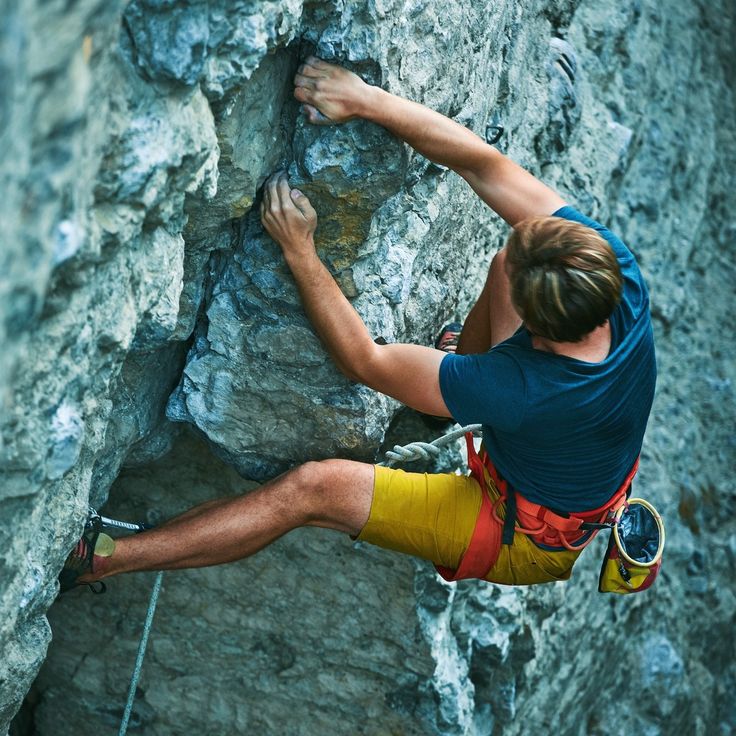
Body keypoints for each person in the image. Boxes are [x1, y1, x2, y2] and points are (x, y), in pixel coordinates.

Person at [60, 57, 656, 592]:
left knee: (312, 490)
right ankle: (444, 396)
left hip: (514, 531)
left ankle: (103, 558)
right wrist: (365, 97)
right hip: (562, 440)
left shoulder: (524, 389)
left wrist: (301, 253)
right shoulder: (613, 271)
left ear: (542, 333)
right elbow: (485, 166)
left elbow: (364, 361)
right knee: (507, 262)